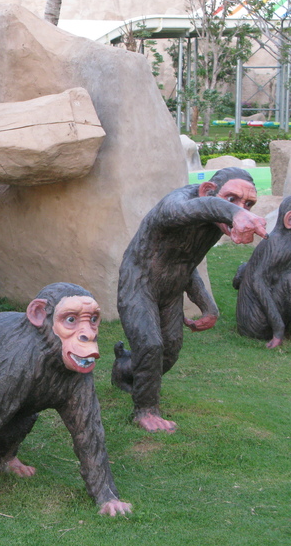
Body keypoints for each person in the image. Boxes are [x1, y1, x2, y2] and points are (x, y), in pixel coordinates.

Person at [112, 167, 267, 433]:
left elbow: (186, 264)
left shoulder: (216, 223)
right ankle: (146, 411)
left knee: (170, 350)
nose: (241, 208)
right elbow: (179, 213)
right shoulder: (178, 202)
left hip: (171, 287)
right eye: (232, 199)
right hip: (139, 282)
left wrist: (209, 307)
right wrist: (234, 212)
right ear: (207, 191)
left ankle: (124, 369)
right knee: (150, 345)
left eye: (248, 204)